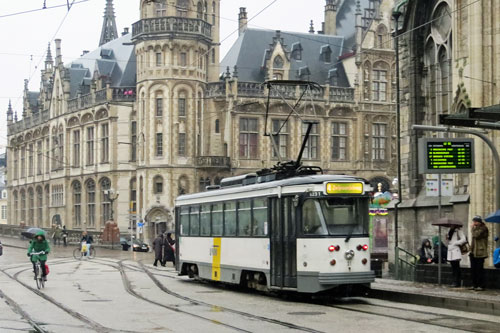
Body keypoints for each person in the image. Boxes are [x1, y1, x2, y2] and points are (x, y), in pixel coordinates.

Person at [469, 216, 489, 291]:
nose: (474, 223)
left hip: (480, 252)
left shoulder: (483, 228)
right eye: (473, 221)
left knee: (479, 269)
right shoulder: (476, 229)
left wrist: (472, 228)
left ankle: (481, 285)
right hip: (473, 252)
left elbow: (476, 235)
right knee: (473, 269)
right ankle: (474, 284)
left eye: (475, 221)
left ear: (479, 222)